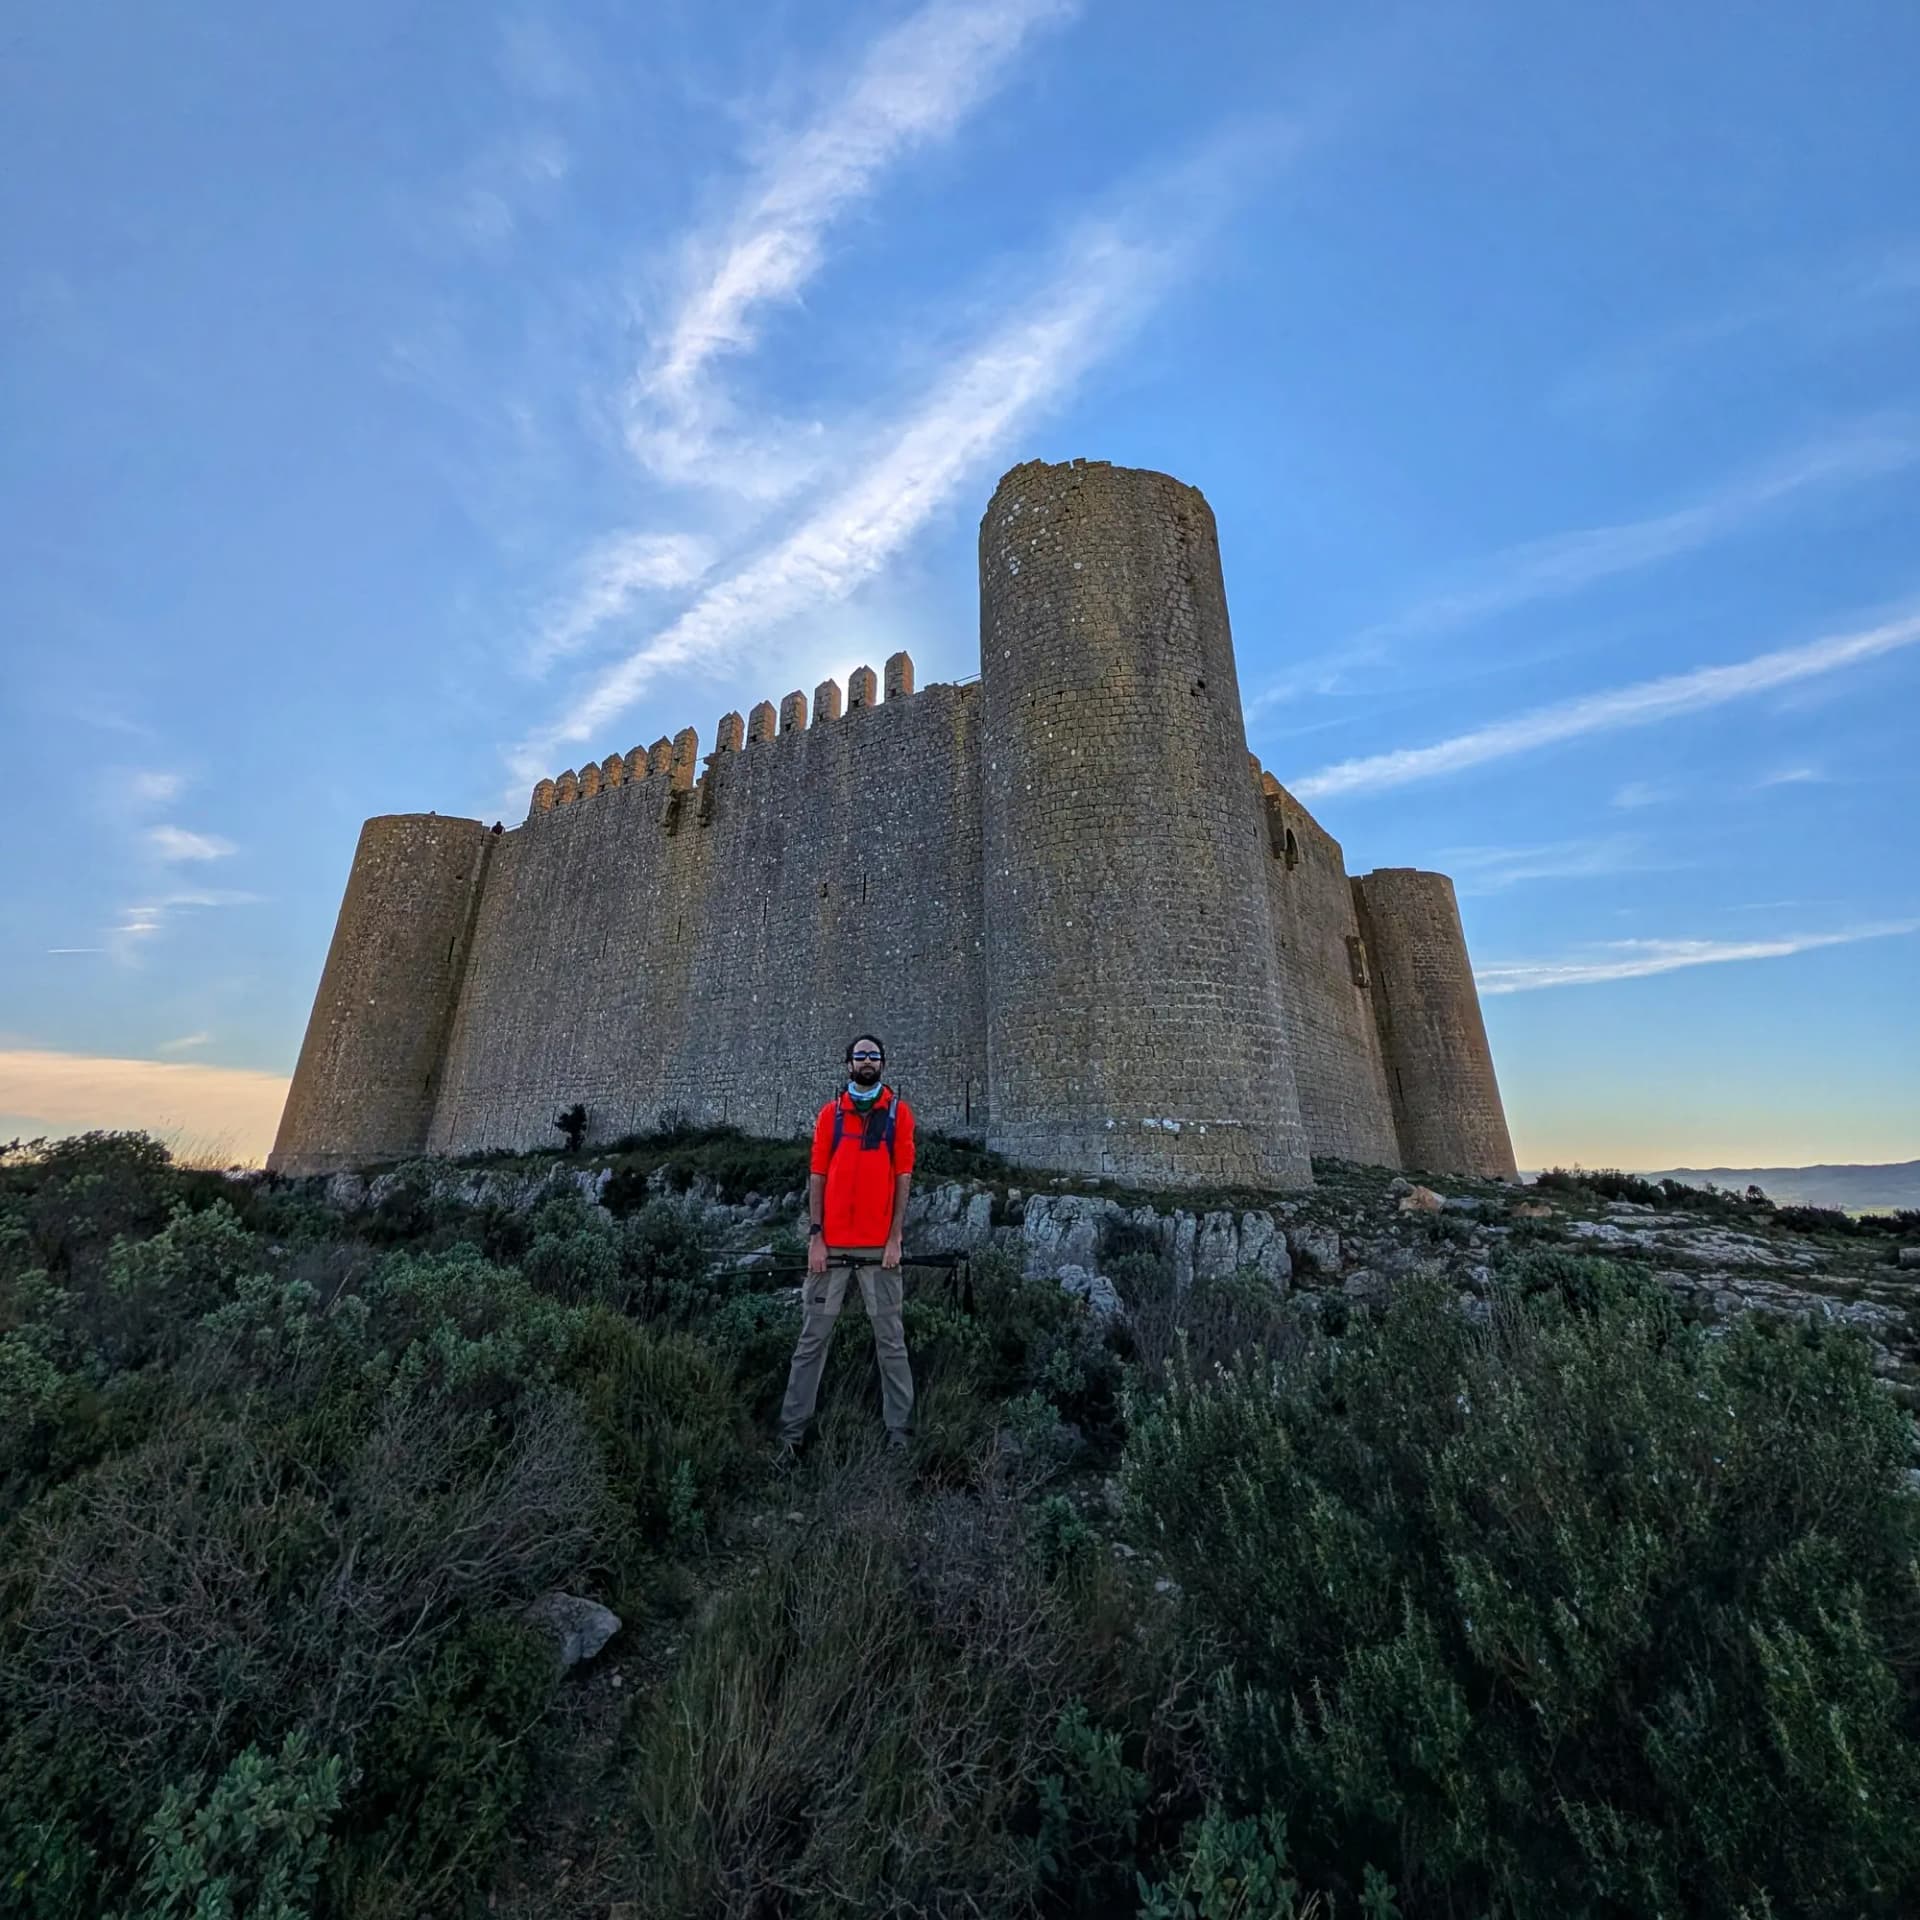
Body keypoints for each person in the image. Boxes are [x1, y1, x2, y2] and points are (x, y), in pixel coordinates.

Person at [774, 1034, 915, 1461]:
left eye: (873, 1056)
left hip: (879, 1249)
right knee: (811, 1340)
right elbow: (817, 1174)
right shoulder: (830, 1115)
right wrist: (815, 1236)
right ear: (848, 1064)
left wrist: (895, 1239)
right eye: (860, 1056)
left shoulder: (898, 1114)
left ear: (883, 1064)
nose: (867, 1062)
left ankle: (899, 1434)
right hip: (830, 1247)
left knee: (891, 1341)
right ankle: (791, 1436)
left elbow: (903, 1177)